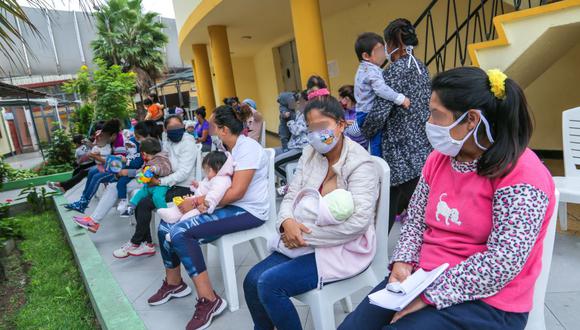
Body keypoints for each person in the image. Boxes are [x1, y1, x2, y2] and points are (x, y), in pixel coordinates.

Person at [339, 66, 556, 330]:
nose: (428, 123)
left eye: (435, 115)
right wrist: (403, 263)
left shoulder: (523, 173)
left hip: (489, 301)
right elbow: (416, 221)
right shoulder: (438, 159)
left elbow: (503, 261)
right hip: (421, 279)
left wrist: (431, 295)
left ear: (471, 120)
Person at [243, 96, 379, 330]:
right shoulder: (310, 153)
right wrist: (286, 222)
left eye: (322, 126)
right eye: (310, 128)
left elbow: (357, 223)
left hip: (342, 245)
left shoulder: (360, 164)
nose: (316, 134)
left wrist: (301, 236)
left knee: (269, 284)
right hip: (304, 238)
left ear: (341, 124)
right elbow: (291, 193)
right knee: (250, 281)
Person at [147, 105, 269, 330]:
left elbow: (236, 192)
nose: (209, 128)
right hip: (227, 205)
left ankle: (210, 300)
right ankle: (174, 283)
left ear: (223, 129)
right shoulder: (227, 146)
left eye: (213, 125)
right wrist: (199, 196)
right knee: (166, 225)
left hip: (248, 210)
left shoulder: (247, 148)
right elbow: (218, 185)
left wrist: (195, 202)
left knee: (181, 233)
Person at [360, 18, 432, 232]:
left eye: (386, 45)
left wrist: (364, 130)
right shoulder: (422, 67)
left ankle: (375, 252)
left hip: (400, 151)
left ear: (394, 44)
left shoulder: (393, 72)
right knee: (401, 204)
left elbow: (380, 112)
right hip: (422, 147)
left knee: (392, 207)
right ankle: (376, 249)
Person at [113, 115, 198, 259]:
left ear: (183, 127)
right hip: (167, 183)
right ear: (165, 129)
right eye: (171, 128)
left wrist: (159, 182)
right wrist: (146, 172)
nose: (175, 131)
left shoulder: (188, 143)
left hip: (183, 187)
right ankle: (146, 244)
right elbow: (157, 161)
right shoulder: (167, 141)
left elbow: (183, 173)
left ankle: (137, 242)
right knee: (140, 198)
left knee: (145, 202)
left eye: (178, 127)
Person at [72, 121, 162, 233]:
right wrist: (122, 166)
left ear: (148, 135)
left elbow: (148, 171)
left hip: (150, 180)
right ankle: (93, 221)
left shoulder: (155, 149)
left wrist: (128, 172)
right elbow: (134, 163)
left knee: (112, 186)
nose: (135, 138)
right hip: (138, 175)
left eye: (138, 137)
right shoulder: (138, 144)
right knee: (111, 185)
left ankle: (93, 221)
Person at [355, 32, 411, 157]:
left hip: (362, 112)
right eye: (378, 51)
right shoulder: (370, 70)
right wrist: (400, 98)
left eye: (383, 49)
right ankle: (379, 164)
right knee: (376, 141)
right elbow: (381, 89)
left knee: (376, 140)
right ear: (366, 55)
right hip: (367, 114)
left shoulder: (365, 68)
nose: (383, 54)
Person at [268, 188, 355, 258]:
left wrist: (297, 235)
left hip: (335, 252)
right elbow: (290, 197)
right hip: (294, 239)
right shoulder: (306, 165)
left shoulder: (360, 169)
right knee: (256, 275)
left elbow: (357, 225)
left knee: (265, 278)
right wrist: (286, 221)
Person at [64, 119, 125, 213]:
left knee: (97, 177)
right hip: (113, 166)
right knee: (92, 171)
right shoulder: (113, 138)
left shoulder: (120, 142)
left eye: (106, 137)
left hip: (121, 169)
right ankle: (82, 200)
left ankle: (83, 204)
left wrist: (95, 156)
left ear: (113, 135)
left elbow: (118, 164)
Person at [157, 151, 233, 223]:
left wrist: (207, 204)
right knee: (183, 202)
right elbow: (206, 186)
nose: (206, 174)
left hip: (205, 206)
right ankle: (171, 214)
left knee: (188, 217)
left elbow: (215, 194)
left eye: (207, 171)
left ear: (215, 168)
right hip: (198, 200)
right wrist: (198, 185)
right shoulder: (213, 177)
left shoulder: (222, 180)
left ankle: (180, 225)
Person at [47, 121, 106, 193]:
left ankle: (63, 186)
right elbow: (95, 148)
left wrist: (88, 154)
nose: (96, 134)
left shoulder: (105, 139)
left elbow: (99, 151)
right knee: (78, 172)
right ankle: (64, 186)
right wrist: (89, 144)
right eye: (96, 132)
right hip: (95, 163)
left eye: (98, 132)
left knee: (83, 172)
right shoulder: (96, 139)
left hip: (100, 164)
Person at [122, 137, 172, 217]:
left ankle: (165, 214)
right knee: (139, 193)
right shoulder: (148, 161)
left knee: (157, 197)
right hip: (149, 185)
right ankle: (131, 207)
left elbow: (166, 169)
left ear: (144, 153)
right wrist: (140, 174)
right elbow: (143, 170)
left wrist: (155, 169)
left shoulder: (162, 158)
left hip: (160, 185)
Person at [274, 90, 309, 182]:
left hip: (301, 149)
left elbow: (296, 131)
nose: (297, 102)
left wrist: (289, 120)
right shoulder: (299, 113)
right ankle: (287, 181)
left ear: (307, 102)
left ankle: (294, 183)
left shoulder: (309, 114)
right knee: (272, 154)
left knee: (275, 164)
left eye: (300, 100)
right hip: (293, 146)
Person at [338, 85, 368, 149]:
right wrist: (343, 124)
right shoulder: (343, 112)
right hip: (349, 149)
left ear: (347, 98)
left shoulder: (362, 111)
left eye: (340, 97)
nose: (339, 100)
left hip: (364, 149)